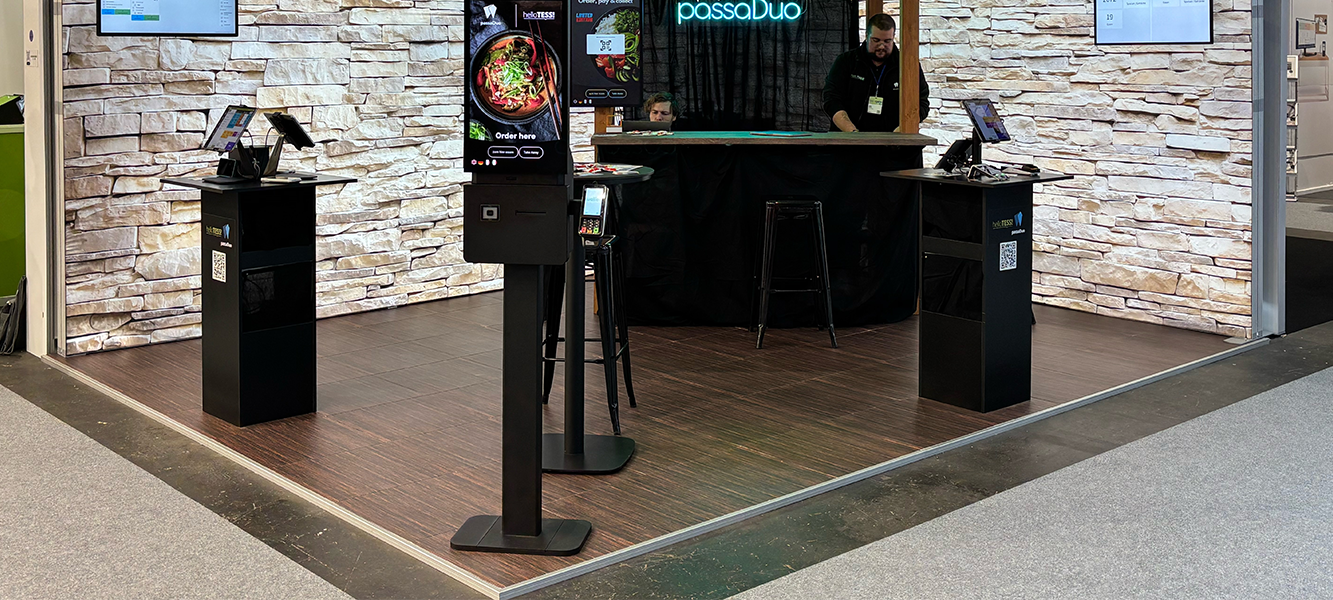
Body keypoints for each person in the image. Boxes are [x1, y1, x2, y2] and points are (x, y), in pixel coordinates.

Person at [823, 14, 930, 133]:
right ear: (867, 36)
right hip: (849, 138)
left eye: (887, 41)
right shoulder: (846, 61)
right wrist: (852, 132)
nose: (881, 46)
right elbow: (831, 99)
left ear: (893, 37)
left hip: (895, 140)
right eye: (876, 40)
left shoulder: (907, 65)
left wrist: (902, 130)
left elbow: (921, 102)